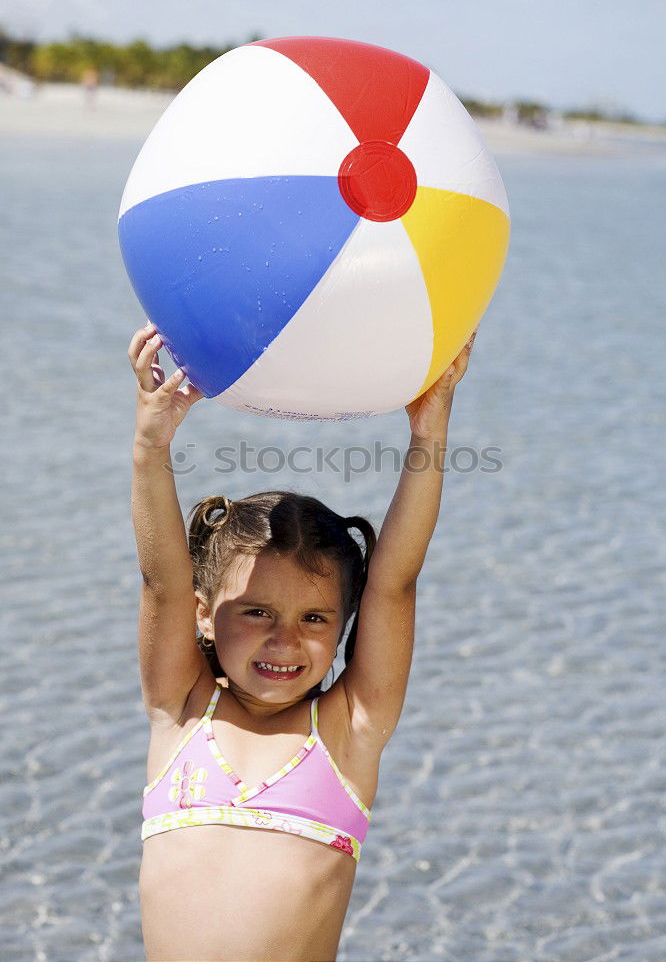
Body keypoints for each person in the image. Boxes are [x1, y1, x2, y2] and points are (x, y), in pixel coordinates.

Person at [129, 320, 476, 961]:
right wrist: (153, 440)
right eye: (257, 611)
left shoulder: (350, 728)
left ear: (345, 623)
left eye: (315, 619)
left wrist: (429, 429)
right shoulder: (179, 711)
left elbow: (395, 583)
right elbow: (162, 580)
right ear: (203, 615)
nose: (285, 640)